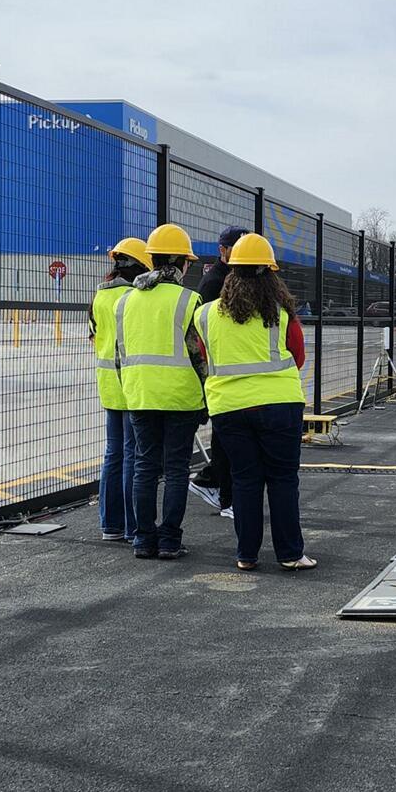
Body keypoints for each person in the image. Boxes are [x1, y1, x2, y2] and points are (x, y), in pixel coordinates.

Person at [195, 233, 315, 572]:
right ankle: (291, 553)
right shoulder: (281, 314)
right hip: (279, 404)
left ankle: (246, 555)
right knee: (282, 479)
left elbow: (206, 355)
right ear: (270, 272)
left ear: (230, 270)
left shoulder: (205, 315)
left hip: (229, 407)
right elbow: (298, 356)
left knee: (245, 479)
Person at [115, 223, 206, 560]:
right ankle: (169, 540)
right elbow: (199, 355)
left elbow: (119, 354)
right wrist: (206, 396)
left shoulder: (126, 301)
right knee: (178, 469)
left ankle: (142, 540)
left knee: (144, 467)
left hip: (139, 394)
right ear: (183, 263)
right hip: (181, 396)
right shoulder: (189, 300)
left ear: (152, 260)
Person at [89, 237, 152, 542]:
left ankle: (109, 525)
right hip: (130, 383)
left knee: (113, 453)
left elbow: (94, 337)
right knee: (132, 454)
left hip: (108, 384)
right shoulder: (132, 298)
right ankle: (131, 527)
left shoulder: (99, 296)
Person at [189, 224, 249, 518]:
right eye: (233, 249)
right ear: (222, 250)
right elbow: (206, 332)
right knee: (226, 438)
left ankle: (215, 482)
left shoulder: (239, 278)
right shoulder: (215, 283)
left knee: (229, 437)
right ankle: (224, 493)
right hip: (221, 371)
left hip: (235, 371)